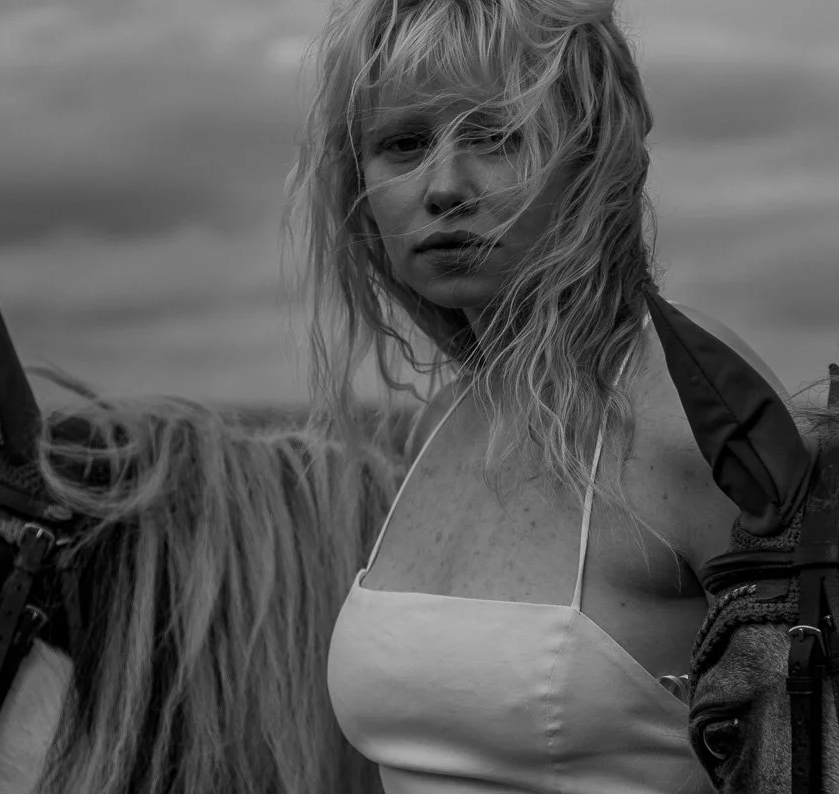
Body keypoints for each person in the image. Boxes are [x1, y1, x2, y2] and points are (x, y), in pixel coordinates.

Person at [291, 0, 804, 791]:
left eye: (496, 136)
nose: (444, 187)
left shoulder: (691, 410)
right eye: (402, 144)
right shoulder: (444, 421)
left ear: (590, 153)